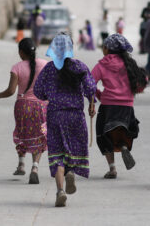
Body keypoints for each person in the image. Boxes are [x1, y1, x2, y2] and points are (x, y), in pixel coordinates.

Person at [33, 33, 96, 207]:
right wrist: (92, 103)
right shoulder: (79, 66)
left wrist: (50, 95)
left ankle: (60, 191)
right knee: (72, 149)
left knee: (57, 154)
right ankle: (70, 171)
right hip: (75, 115)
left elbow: (38, 91)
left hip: (55, 115)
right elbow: (91, 88)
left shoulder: (48, 69)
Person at [0, 38, 47, 184]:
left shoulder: (17, 67)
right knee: (38, 135)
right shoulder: (45, 65)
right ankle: (34, 167)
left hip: (22, 105)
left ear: (21, 52)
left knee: (22, 133)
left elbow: (10, 91)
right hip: (40, 106)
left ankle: (21, 164)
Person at [92, 34, 147, 179]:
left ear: (107, 49)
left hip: (108, 106)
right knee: (122, 131)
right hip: (127, 107)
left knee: (103, 135)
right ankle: (123, 146)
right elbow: (143, 80)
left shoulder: (102, 64)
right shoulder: (129, 64)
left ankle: (112, 169)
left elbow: (89, 83)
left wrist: (98, 95)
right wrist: (132, 92)